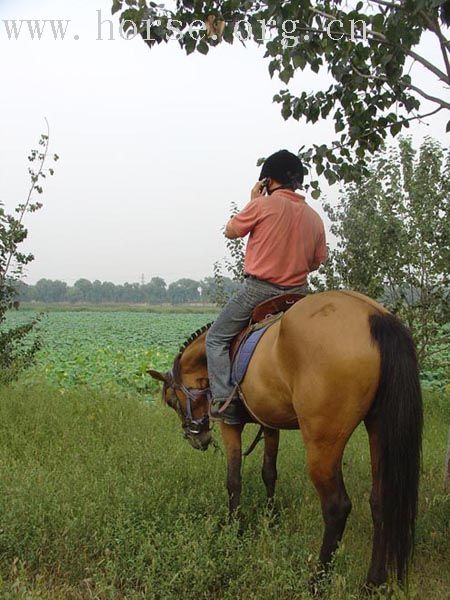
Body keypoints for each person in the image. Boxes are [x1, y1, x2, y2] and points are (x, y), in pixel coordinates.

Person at [206, 149, 328, 424]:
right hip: (299, 296)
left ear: (267, 181)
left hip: (259, 292)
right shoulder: (314, 218)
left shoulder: (261, 206)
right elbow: (318, 262)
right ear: (297, 182)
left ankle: (226, 401)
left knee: (216, 339)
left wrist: (252, 201)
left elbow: (231, 231)